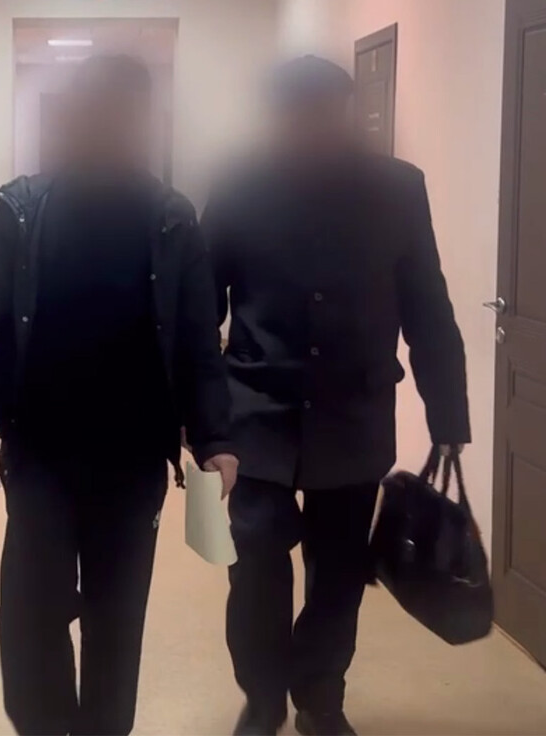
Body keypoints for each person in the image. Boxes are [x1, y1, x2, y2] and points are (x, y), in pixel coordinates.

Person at [0, 53, 238, 736]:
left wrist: (215, 436)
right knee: (32, 615)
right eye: (100, 110)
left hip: (133, 458)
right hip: (40, 451)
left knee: (116, 619)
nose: (113, 125)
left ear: (146, 121)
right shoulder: (21, 210)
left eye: (128, 113)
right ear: (76, 115)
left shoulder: (172, 219)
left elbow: (197, 337)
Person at [204, 56, 471, 736]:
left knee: (339, 574)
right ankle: (263, 698)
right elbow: (200, 307)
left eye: (320, 114)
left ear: (344, 113)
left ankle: (320, 700)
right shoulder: (238, 187)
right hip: (256, 414)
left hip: (354, 415)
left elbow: (427, 305)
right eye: (293, 116)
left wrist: (449, 414)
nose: (307, 129)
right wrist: (196, 417)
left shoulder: (397, 188)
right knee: (255, 569)